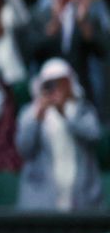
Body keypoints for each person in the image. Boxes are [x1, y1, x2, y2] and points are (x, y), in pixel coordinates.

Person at [15, 58, 104, 212]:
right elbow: (24, 149)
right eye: (50, 84)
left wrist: (64, 112)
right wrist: (37, 118)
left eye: (61, 82)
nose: (56, 89)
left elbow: (94, 135)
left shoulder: (82, 110)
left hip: (83, 202)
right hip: (42, 205)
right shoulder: (30, 114)